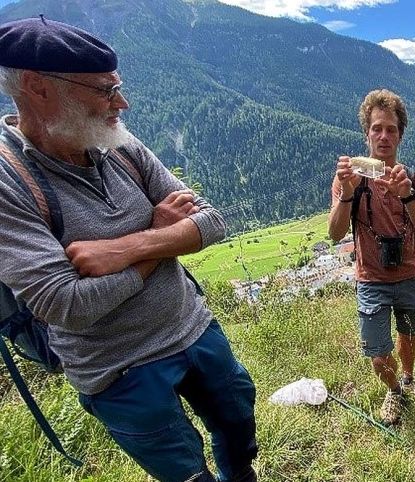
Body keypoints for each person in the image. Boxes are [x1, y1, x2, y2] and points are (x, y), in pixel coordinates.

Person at [0, 17, 257, 482]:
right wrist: (163, 238)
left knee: (239, 430)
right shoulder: (9, 181)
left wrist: (125, 248)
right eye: (104, 90)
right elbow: (66, 304)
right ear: (37, 87)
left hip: (192, 327)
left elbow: (212, 221)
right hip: (118, 371)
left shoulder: (114, 141)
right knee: (185, 473)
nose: (122, 103)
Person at [328, 89, 415, 425]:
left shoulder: (414, 180)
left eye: (391, 129)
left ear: (400, 135)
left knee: (408, 333)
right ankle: (394, 390)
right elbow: (335, 233)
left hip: (408, 274)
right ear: (367, 134)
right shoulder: (351, 180)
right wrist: (347, 194)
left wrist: (406, 196)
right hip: (371, 278)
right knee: (377, 353)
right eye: (377, 128)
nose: (384, 136)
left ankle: (408, 379)